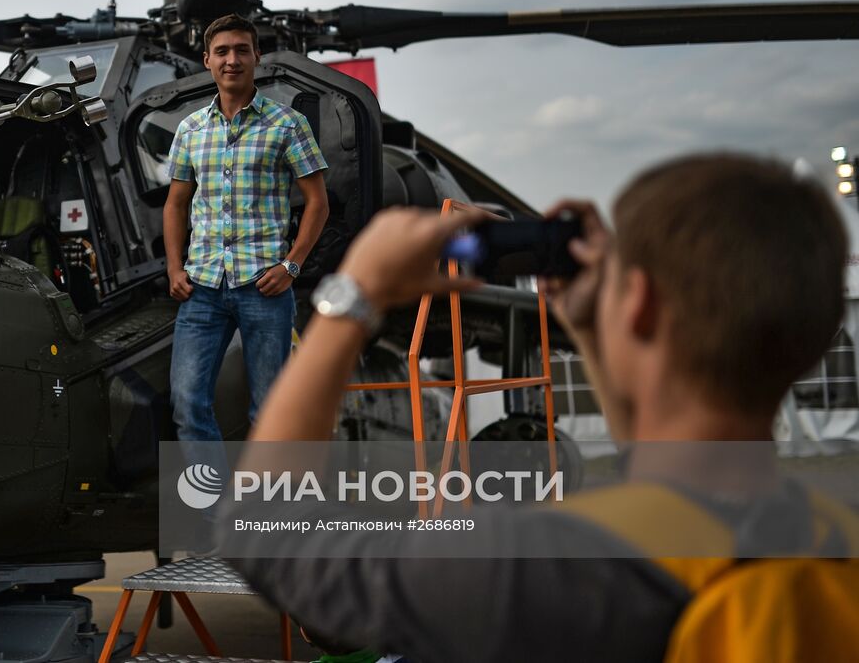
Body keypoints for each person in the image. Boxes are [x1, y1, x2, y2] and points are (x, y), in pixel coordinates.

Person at [220, 153, 858, 661]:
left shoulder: (543, 568)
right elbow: (672, 495)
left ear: (638, 305)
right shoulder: (829, 546)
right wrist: (589, 328)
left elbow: (262, 526)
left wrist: (354, 295)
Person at [164, 13, 329, 441]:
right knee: (186, 400)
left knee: (270, 410)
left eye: (241, 50)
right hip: (202, 287)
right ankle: (214, 506)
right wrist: (174, 269)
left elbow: (318, 203)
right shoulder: (190, 130)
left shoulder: (288, 124)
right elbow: (176, 204)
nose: (231, 60)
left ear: (257, 56)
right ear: (207, 60)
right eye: (222, 52)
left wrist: (292, 266)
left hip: (264, 287)